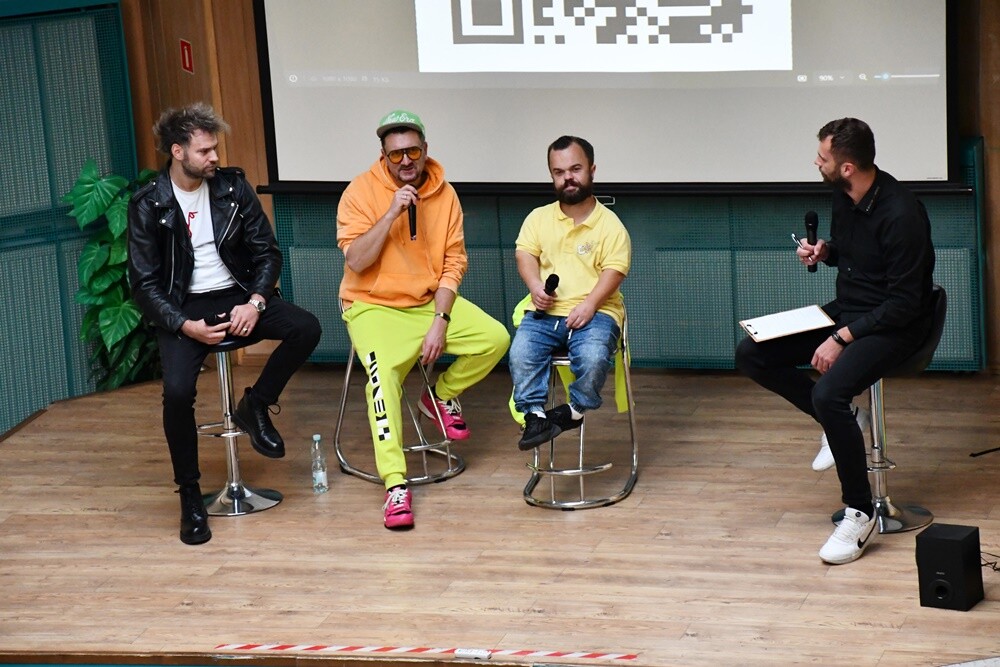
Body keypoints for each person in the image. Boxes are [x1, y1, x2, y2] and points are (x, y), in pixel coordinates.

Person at [735, 118, 935, 565]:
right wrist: (826, 251)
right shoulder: (843, 196)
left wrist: (840, 338)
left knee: (829, 393)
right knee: (752, 353)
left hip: (896, 325)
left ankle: (860, 512)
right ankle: (844, 420)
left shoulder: (902, 213)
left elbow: (905, 303)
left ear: (847, 167)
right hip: (850, 309)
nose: (816, 162)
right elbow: (855, 256)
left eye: (822, 157)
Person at [128, 103, 321, 545]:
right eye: (204, 151)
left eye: (215, 148)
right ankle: (190, 496)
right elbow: (144, 285)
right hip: (182, 307)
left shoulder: (232, 187)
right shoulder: (148, 204)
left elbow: (267, 252)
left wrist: (255, 301)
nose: (214, 157)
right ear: (177, 151)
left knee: (306, 328)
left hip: (238, 295)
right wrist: (184, 325)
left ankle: (255, 405)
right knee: (178, 393)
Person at [336, 109, 509, 530]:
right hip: (373, 305)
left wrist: (441, 320)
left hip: (428, 301)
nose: (405, 161)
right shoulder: (359, 192)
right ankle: (395, 484)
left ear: (426, 149)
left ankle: (438, 395)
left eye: (412, 151)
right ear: (383, 156)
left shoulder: (445, 195)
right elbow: (356, 261)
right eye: (395, 154)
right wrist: (391, 213)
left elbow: (454, 263)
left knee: (495, 338)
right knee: (382, 381)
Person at [509, 136, 631, 450]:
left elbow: (615, 270)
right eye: (559, 172)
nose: (568, 178)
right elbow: (525, 254)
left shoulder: (610, 225)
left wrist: (590, 305)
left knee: (592, 357)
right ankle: (535, 416)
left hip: (597, 312)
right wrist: (535, 286)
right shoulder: (538, 217)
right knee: (521, 353)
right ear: (552, 175)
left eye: (575, 169)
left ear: (592, 170)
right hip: (545, 313)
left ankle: (574, 411)